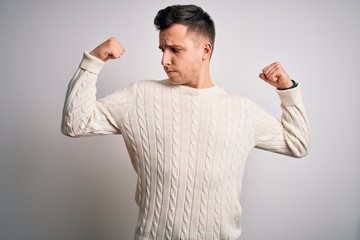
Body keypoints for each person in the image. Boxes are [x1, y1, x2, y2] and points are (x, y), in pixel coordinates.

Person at [61, 4, 309, 240]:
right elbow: (75, 123)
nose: (164, 60)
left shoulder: (241, 109)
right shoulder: (139, 96)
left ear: (205, 50)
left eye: (175, 50)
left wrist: (288, 90)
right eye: (162, 50)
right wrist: (93, 60)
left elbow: (297, 144)